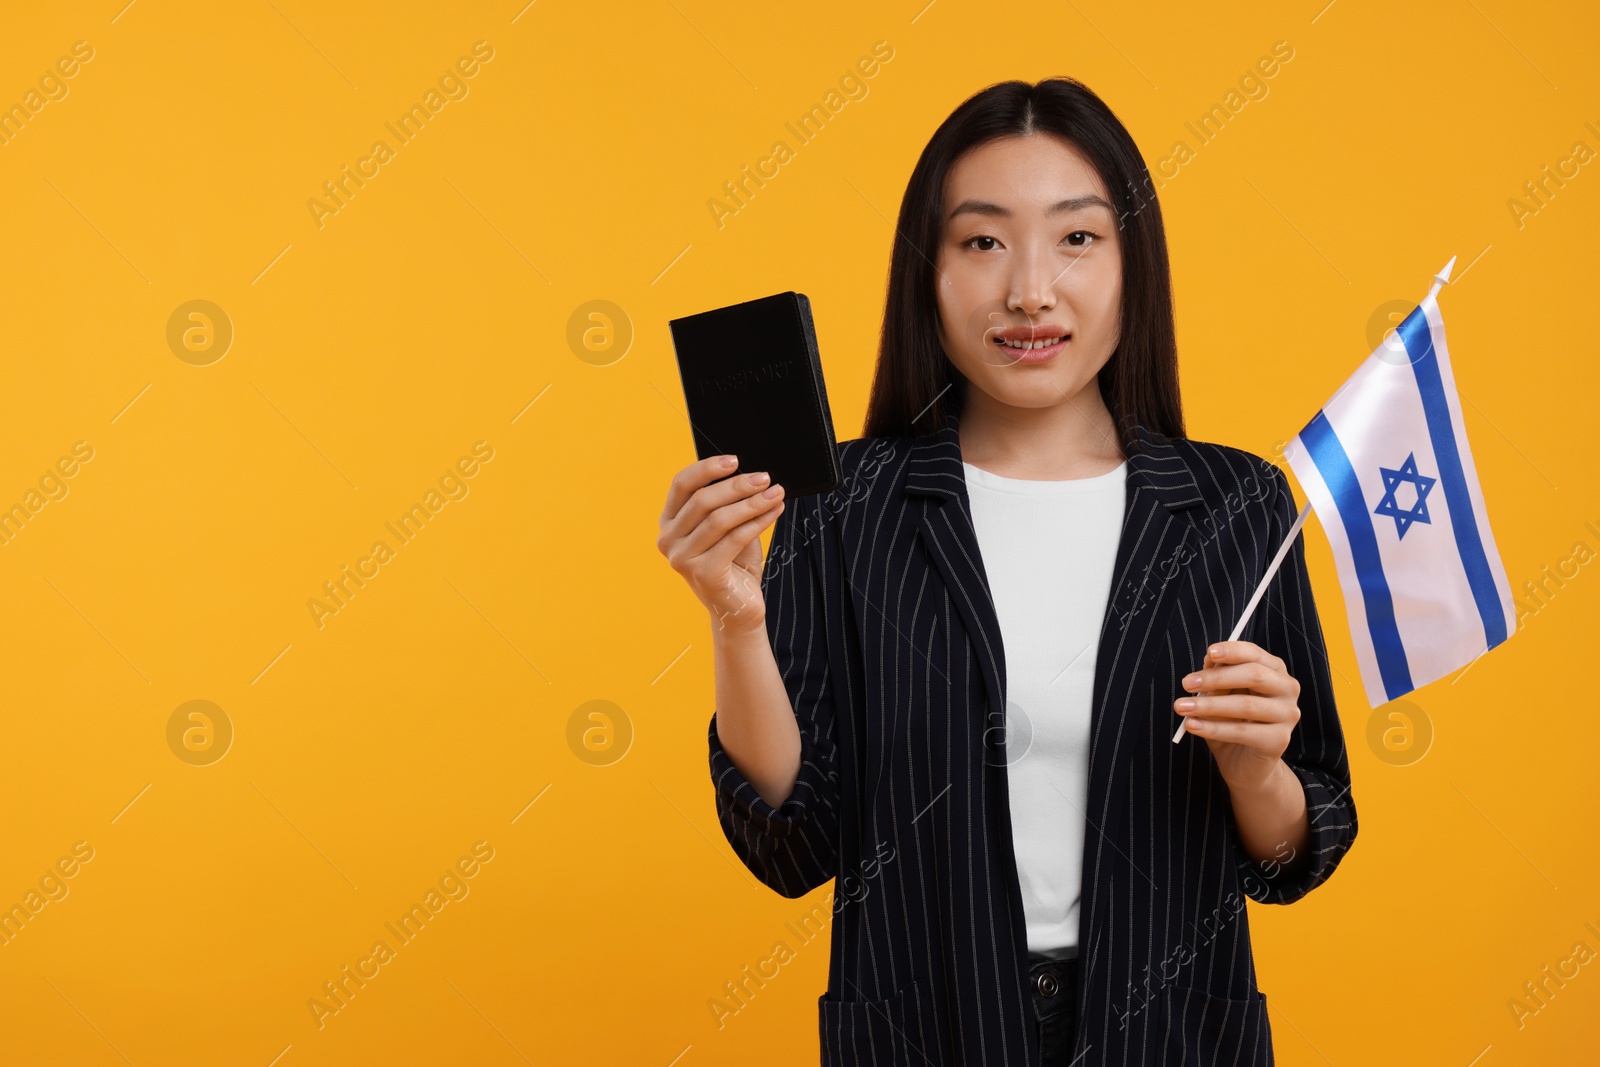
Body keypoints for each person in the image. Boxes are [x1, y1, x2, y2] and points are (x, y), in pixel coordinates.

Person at [656, 77, 1357, 1067]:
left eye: (1076, 238)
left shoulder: (1236, 504)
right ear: (928, 273)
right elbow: (795, 839)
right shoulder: (842, 501)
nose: (1029, 289)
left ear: (1133, 266)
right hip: (923, 1030)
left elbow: (1298, 848)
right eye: (981, 240)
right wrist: (735, 618)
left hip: (1171, 1033)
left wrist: (1254, 771)